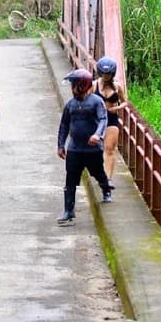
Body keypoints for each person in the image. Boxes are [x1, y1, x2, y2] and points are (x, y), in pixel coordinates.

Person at [56, 69, 113, 225]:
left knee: (98, 173)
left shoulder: (96, 102)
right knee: (70, 179)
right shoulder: (70, 105)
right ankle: (69, 210)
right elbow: (64, 125)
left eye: (74, 85)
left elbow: (103, 119)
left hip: (92, 149)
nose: (72, 88)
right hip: (75, 148)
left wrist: (97, 135)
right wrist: (60, 145)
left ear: (81, 85)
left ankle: (106, 188)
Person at [95, 56, 127, 188]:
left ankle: (108, 179)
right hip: (96, 119)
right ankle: (100, 174)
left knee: (109, 149)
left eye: (108, 74)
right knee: (96, 151)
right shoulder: (94, 85)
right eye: (103, 73)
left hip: (112, 119)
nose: (105, 76)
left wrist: (116, 108)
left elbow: (125, 102)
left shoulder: (117, 87)